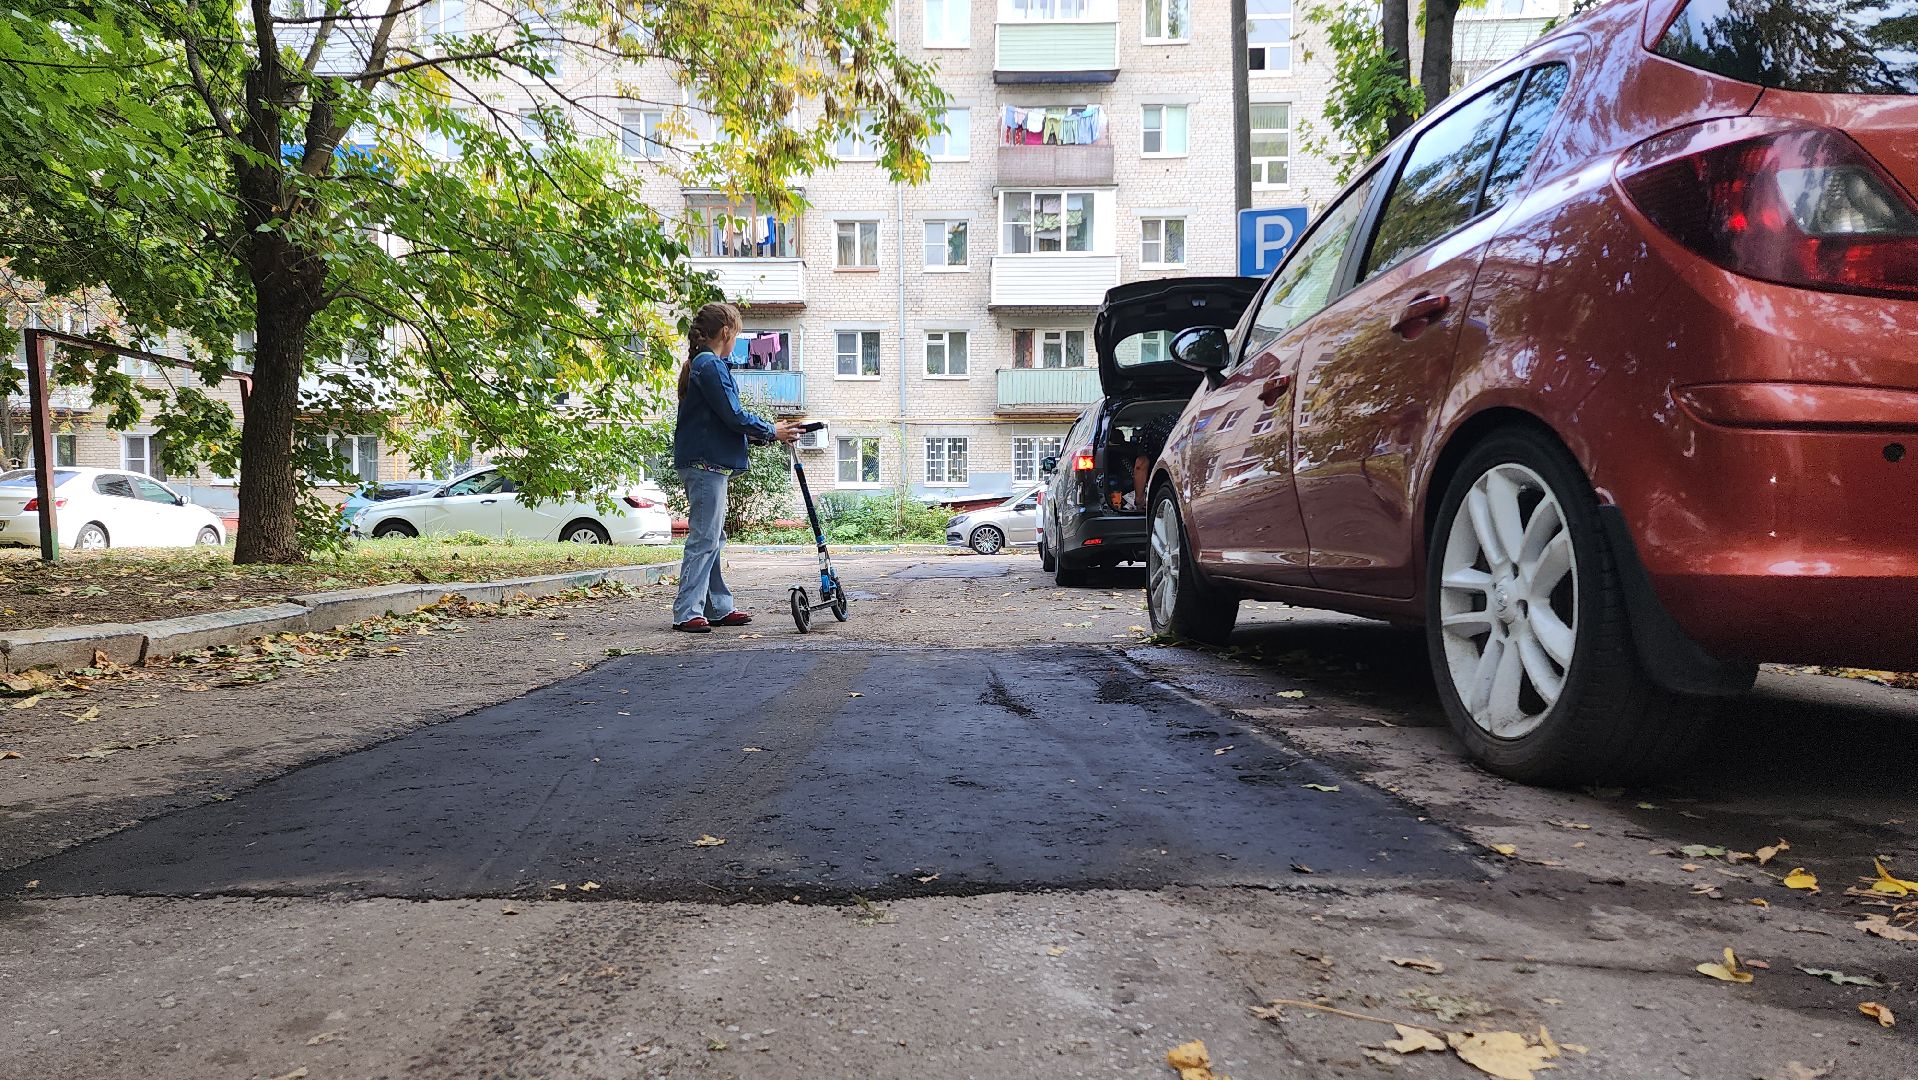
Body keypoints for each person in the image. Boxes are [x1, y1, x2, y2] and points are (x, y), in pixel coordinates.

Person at [671, 302, 802, 633]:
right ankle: (687, 611)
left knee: (714, 537)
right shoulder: (710, 366)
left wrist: (770, 435)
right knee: (704, 538)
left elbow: (724, 421)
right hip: (705, 465)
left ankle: (717, 607)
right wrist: (772, 431)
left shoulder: (704, 365)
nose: (736, 343)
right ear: (726, 332)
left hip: (707, 463)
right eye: (738, 336)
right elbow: (733, 415)